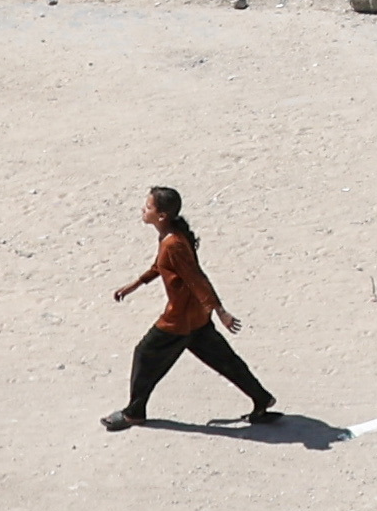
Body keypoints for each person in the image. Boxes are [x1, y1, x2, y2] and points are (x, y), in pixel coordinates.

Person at [104, 184, 274, 429]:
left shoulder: (173, 243)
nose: (143, 209)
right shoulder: (170, 235)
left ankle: (134, 413)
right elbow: (160, 266)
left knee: (145, 354)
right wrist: (135, 285)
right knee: (224, 360)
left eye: (148, 207)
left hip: (179, 320)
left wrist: (221, 311)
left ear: (161, 215)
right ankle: (261, 398)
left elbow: (196, 278)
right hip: (197, 317)